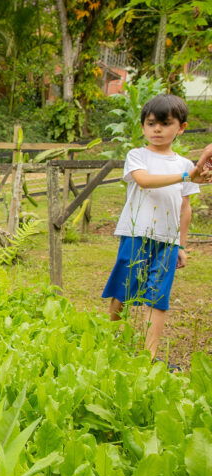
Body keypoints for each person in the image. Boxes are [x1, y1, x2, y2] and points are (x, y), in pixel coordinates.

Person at [101, 94, 206, 365]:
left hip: (167, 242)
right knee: (124, 290)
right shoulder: (137, 155)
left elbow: (185, 208)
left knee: (158, 297)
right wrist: (188, 175)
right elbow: (144, 181)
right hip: (137, 234)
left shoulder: (184, 164)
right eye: (150, 123)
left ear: (181, 127)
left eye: (165, 123)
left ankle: (150, 357)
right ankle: (109, 343)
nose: (156, 129)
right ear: (143, 127)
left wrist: (181, 245)